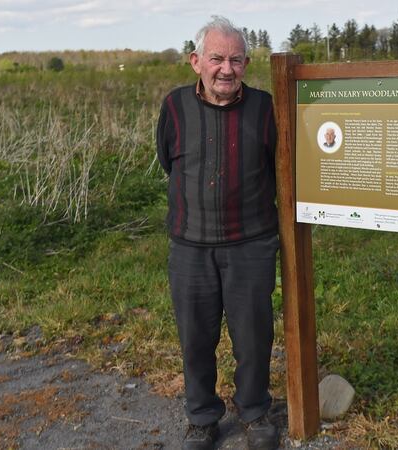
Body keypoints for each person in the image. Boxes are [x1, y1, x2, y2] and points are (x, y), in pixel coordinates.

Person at [155, 16, 280, 450]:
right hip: (190, 245)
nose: (227, 69)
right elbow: (168, 160)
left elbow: (277, 165)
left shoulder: (264, 108)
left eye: (236, 60)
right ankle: (202, 417)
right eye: (217, 59)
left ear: (246, 64)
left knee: (254, 336)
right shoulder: (175, 107)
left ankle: (255, 412)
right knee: (195, 338)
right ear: (196, 61)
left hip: (251, 242)